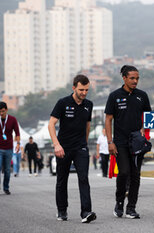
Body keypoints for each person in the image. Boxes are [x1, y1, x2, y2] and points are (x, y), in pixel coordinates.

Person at [48, 74, 96, 223]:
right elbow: (51, 125)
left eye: (86, 90)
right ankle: (62, 211)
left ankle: (86, 212)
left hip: (80, 147)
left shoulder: (89, 104)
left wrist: (85, 144)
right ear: (74, 87)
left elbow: (88, 125)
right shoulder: (63, 103)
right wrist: (57, 144)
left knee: (83, 178)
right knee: (62, 180)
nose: (84, 93)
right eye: (81, 89)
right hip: (63, 148)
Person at [105, 65, 151, 219]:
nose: (135, 81)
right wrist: (110, 142)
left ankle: (131, 208)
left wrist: (144, 130)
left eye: (137, 78)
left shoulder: (142, 95)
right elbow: (108, 119)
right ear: (124, 78)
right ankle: (119, 202)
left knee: (136, 175)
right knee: (124, 172)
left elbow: (148, 116)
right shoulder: (114, 96)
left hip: (136, 143)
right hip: (120, 142)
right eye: (132, 78)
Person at [0, 101, 20, 195]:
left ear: (6, 110)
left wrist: (18, 144)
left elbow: (17, 133)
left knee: (7, 170)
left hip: (8, 148)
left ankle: (6, 187)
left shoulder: (12, 119)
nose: (1, 113)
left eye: (3, 111)